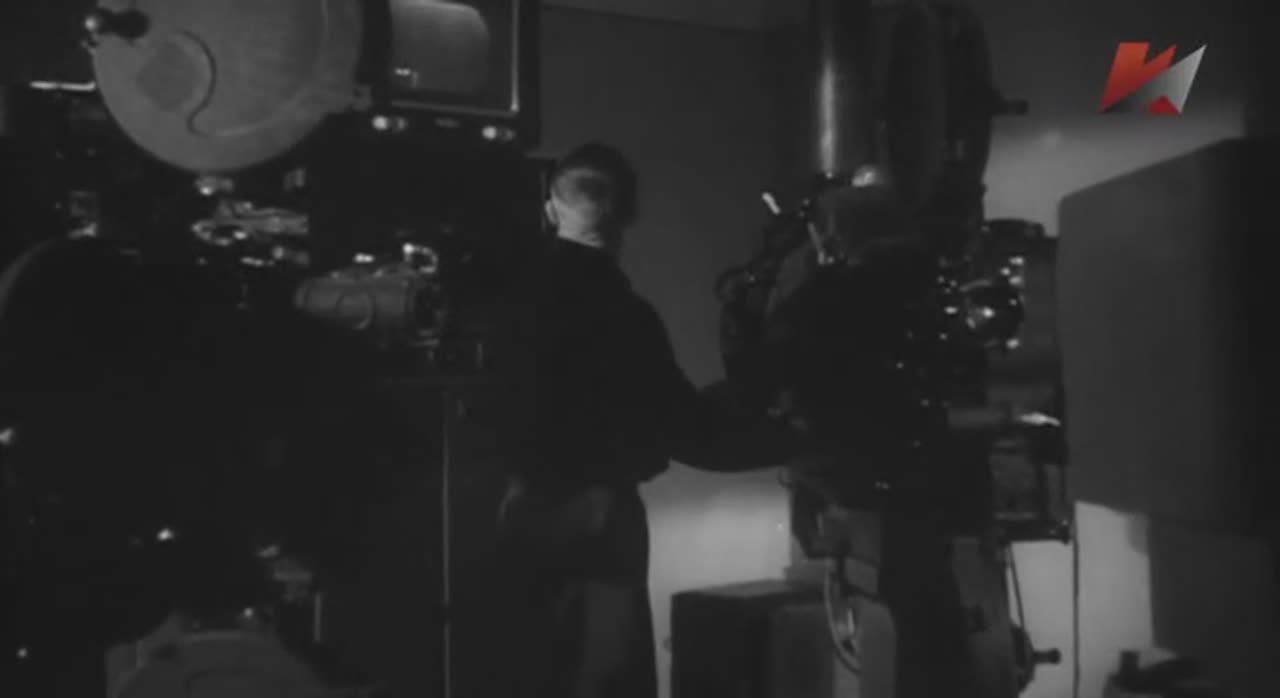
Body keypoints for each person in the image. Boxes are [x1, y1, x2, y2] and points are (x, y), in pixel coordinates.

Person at [498, 142, 802, 698]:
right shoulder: (625, 315)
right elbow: (683, 426)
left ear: (550, 209)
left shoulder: (509, 302)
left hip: (518, 511)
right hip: (601, 514)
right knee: (608, 675)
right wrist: (791, 437)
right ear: (629, 214)